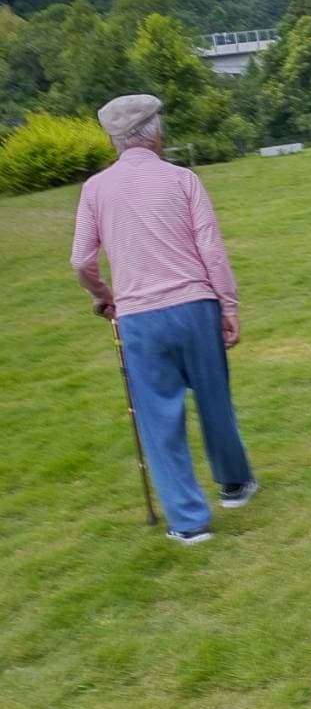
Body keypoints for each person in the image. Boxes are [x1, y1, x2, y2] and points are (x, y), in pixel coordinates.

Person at [70, 94, 257, 544]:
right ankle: (234, 485)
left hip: (139, 317)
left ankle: (190, 522)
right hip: (195, 307)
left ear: (113, 139)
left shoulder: (95, 189)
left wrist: (104, 296)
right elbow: (211, 250)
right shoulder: (183, 179)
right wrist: (228, 306)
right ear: (155, 131)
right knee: (215, 400)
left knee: (158, 418)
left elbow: (81, 261)